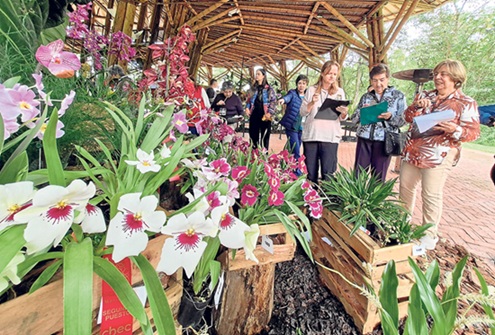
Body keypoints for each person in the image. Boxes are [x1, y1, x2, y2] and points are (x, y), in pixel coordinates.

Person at [399, 59, 480, 250]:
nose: (438, 77)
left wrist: (455, 129)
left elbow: (474, 132)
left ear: (456, 78)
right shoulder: (425, 95)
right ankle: (401, 224)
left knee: (431, 194)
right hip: (414, 150)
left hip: (439, 154)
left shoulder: (465, 103)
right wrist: (416, 106)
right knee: (405, 188)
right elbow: (407, 117)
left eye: (443, 74)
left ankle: (429, 235)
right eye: (437, 74)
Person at [351, 63, 407, 182]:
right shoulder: (366, 96)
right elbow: (354, 119)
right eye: (375, 80)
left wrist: (390, 117)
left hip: (384, 141)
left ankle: (374, 201)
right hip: (364, 139)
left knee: (378, 177)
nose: (378, 84)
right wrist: (362, 112)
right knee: (358, 176)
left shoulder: (398, 96)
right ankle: (356, 200)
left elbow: (404, 120)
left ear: (388, 78)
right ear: (371, 81)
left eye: (382, 80)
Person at [300, 60, 349, 183]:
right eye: (329, 73)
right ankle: (311, 199)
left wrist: (344, 112)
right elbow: (302, 112)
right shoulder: (311, 90)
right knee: (311, 173)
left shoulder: (339, 92)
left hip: (330, 137)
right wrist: (311, 102)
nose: (332, 76)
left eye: (334, 74)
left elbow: (343, 117)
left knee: (329, 174)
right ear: (322, 73)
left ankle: (328, 201)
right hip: (312, 135)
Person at [278, 74, 309, 160]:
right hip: (292, 126)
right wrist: (283, 100)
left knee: (295, 148)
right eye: (299, 83)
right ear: (296, 84)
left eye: (304, 83)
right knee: (296, 151)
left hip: (303, 127)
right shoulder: (292, 93)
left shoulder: (308, 96)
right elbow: (287, 98)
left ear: (306, 85)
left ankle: (286, 164)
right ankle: (297, 172)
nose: (301, 85)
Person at [245, 68, 277, 150]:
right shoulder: (252, 89)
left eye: (258, 74)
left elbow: (273, 102)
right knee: (253, 135)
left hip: (265, 115)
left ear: (263, 76)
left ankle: (264, 155)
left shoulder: (269, 89)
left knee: (265, 136)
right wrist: (247, 108)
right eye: (256, 74)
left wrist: (270, 112)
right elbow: (248, 101)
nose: (257, 76)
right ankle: (253, 154)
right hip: (254, 114)